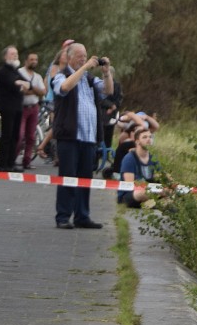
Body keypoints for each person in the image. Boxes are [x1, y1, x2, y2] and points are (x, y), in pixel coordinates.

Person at [51, 42, 113, 229]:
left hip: (88, 137)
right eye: (79, 55)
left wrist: (106, 72)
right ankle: (63, 216)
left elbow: (108, 90)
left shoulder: (89, 79)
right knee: (67, 177)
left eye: (85, 55)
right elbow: (64, 88)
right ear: (69, 57)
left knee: (85, 179)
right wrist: (85, 68)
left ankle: (82, 216)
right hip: (69, 136)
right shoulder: (61, 75)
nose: (83, 59)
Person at [0, 46, 27, 172]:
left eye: (16, 54)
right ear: (6, 56)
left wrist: (22, 84)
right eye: (12, 54)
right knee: (7, 135)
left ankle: (11, 162)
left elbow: (26, 83)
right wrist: (20, 84)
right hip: (7, 106)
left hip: (17, 106)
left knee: (15, 135)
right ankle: (2, 164)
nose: (15, 56)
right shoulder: (3, 71)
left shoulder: (16, 71)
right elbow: (13, 83)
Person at [117, 127, 162, 208]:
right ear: (137, 141)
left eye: (150, 137)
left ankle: (151, 203)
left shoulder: (153, 158)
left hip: (150, 189)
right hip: (130, 194)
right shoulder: (129, 158)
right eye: (144, 137)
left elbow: (161, 177)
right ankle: (156, 203)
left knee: (167, 190)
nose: (148, 139)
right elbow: (130, 184)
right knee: (141, 192)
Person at [16, 52, 45, 169]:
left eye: (36, 60)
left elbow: (43, 92)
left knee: (31, 136)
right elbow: (21, 90)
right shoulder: (19, 73)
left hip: (34, 108)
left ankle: (26, 161)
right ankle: (12, 158)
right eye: (31, 59)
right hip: (22, 107)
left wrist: (31, 88)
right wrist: (34, 90)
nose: (34, 62)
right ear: (26, 61)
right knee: (19, 135)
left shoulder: (37, 76)